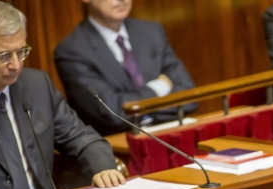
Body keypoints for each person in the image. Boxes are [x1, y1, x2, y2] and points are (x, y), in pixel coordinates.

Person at [0, 1, 125, 189]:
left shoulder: (36, 86)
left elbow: (84, 138)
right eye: (3, 56)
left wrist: (104, 168)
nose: (16, 65)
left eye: (22, 51)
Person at [54, 0, 197, 135]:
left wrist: (137, 110)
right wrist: (159, 88)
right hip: (118, 148)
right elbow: (113, 114)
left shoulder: (152, 32)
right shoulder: (72, 50)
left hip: (170, 135)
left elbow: (189, 98)